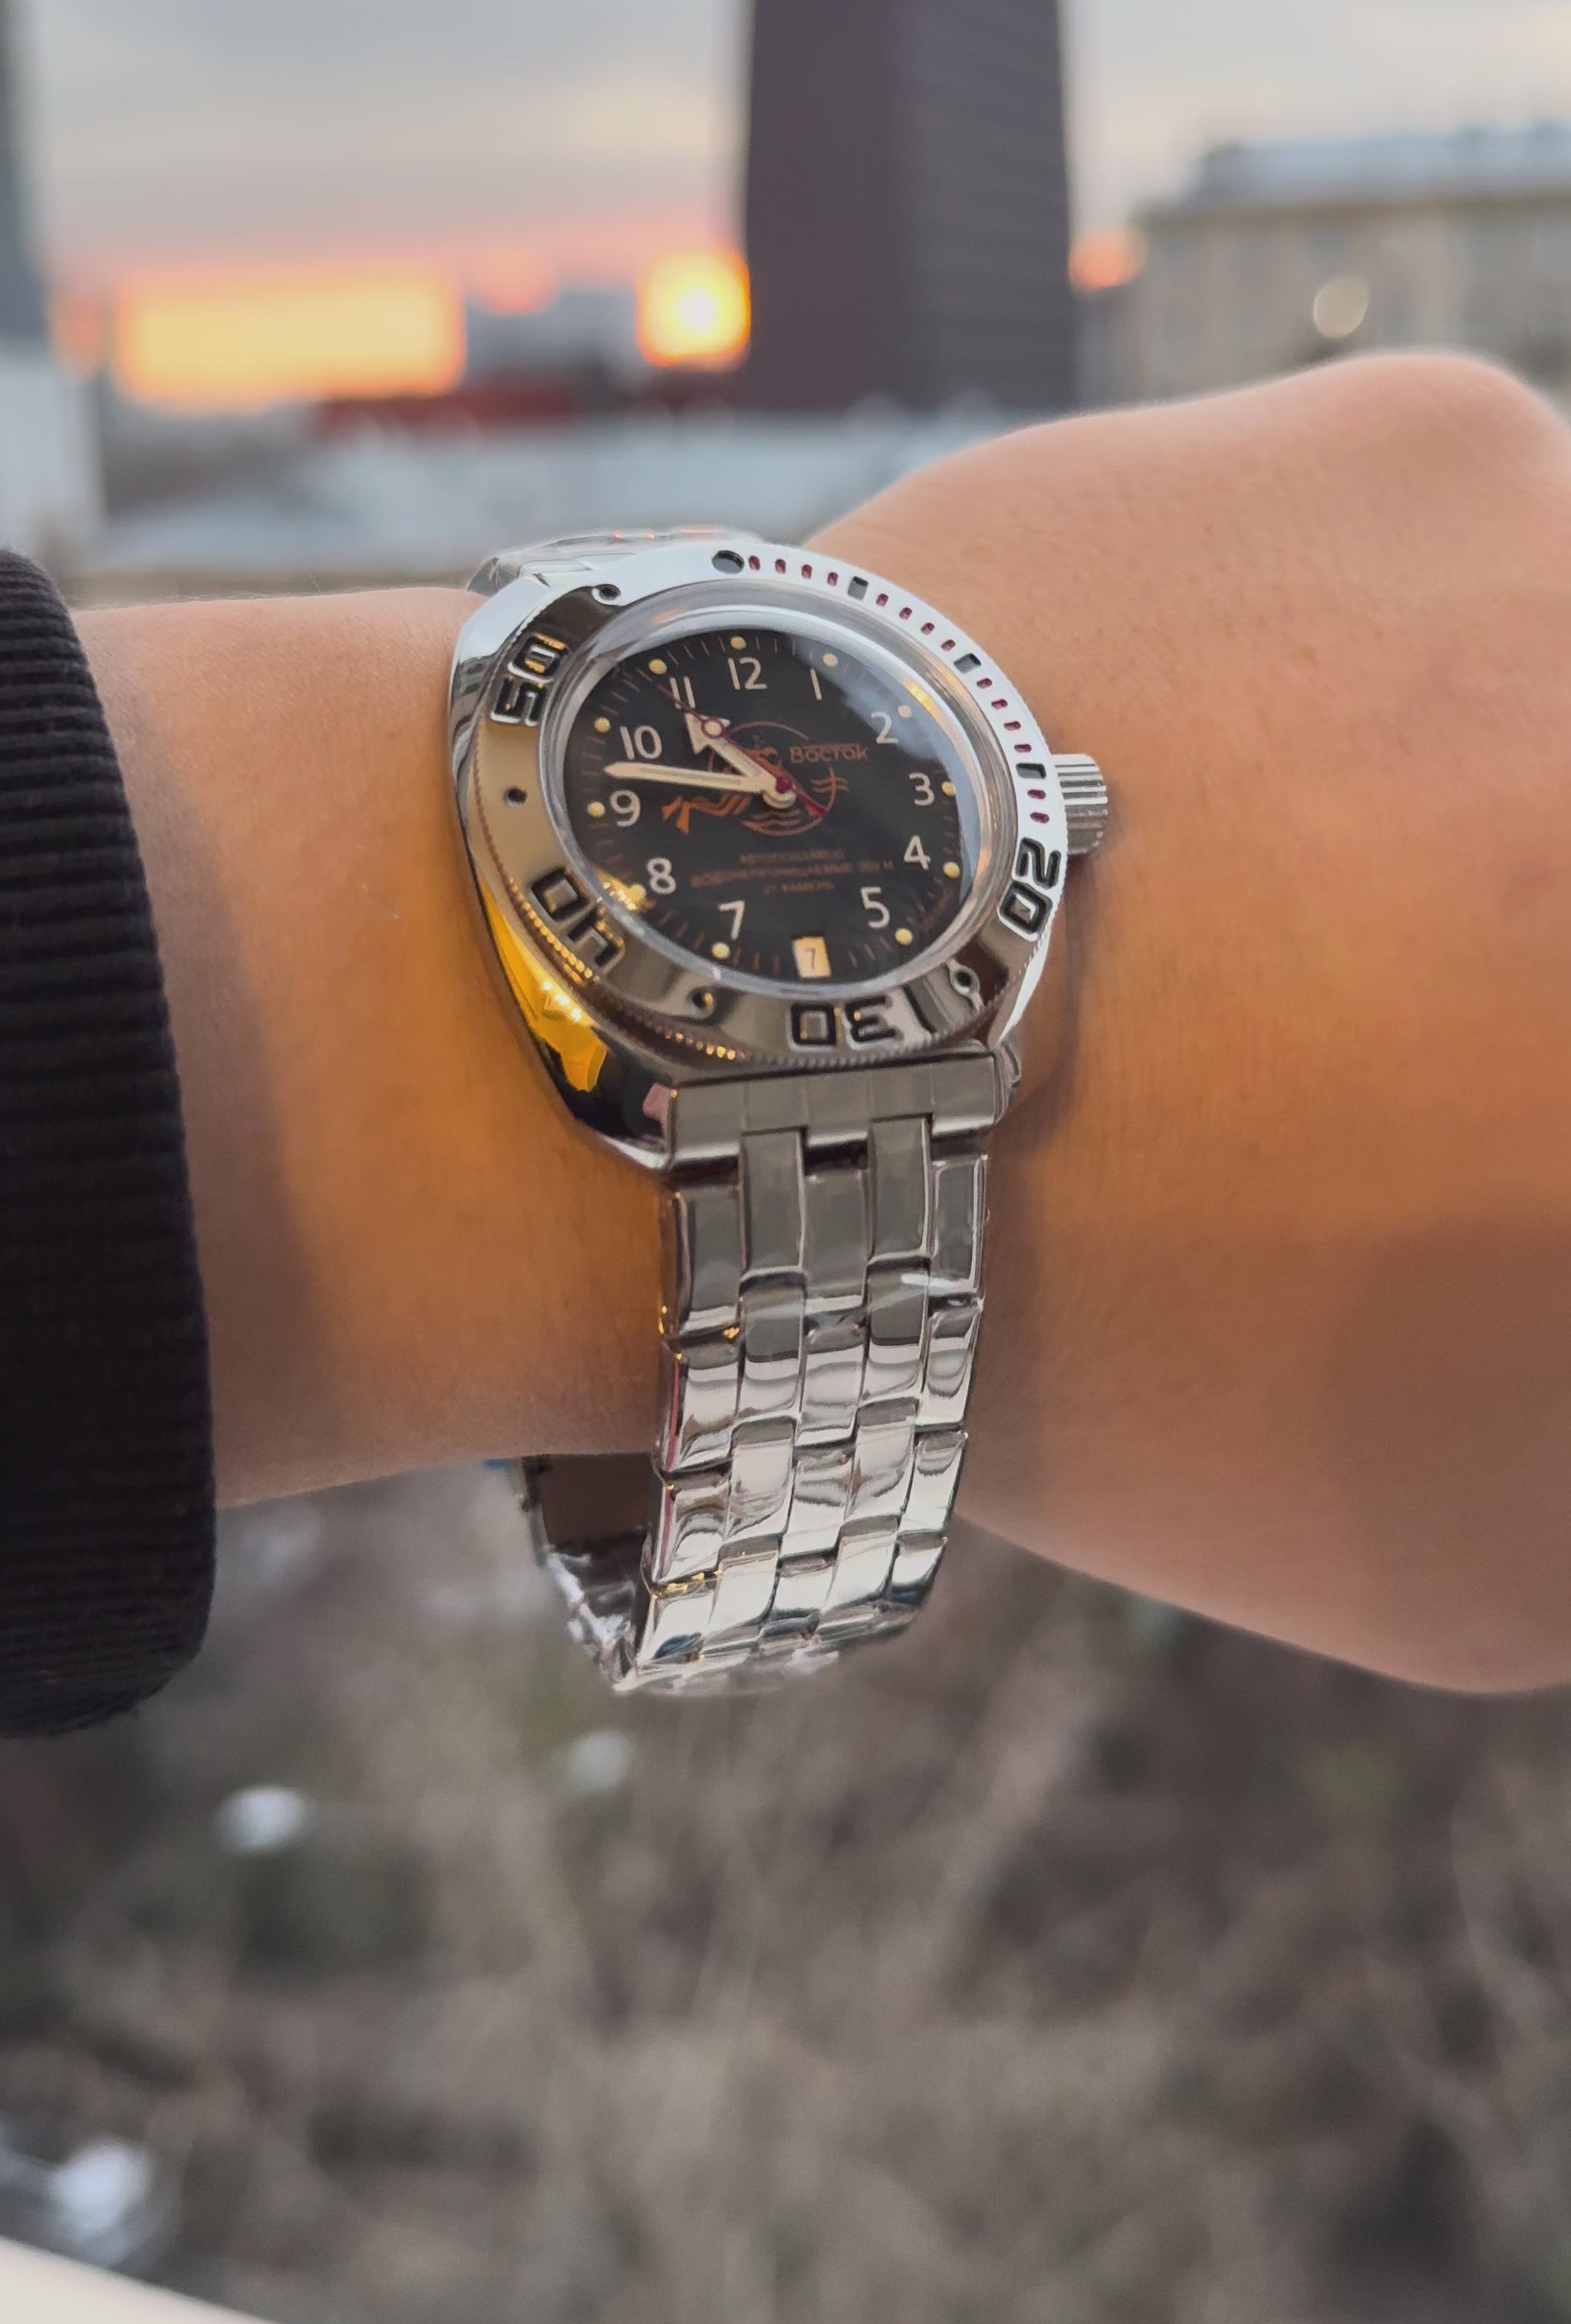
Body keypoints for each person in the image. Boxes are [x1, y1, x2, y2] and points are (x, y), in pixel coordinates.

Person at [7, 350, 1569, 1727]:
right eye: (746, 786)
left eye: (782, 782)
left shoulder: (950, 785)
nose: (772, 793)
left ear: (1045, 800)